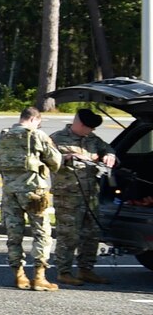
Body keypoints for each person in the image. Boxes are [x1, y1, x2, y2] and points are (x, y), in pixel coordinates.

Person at [0, 105, 63, 290]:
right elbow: (56, 162)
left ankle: (19, 276)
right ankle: (39, 278)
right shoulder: (38, 136)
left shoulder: (2, 136)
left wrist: (9, 174)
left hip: (10, 193)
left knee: (14, 235)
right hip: (34, 193)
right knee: (41, 233)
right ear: (35, 120)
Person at [48, 107, 116, 285]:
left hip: (90, 194)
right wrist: (66, 158)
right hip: (67, 196)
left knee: (91, 234)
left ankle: (86, 270)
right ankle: (64, 271)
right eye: (89, 128)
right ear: (79, 123)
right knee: (69, 235)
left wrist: (109, 155)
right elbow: (45, 160)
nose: (92, 132)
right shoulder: (56, 139)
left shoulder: (92, 139)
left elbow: (106, 148)